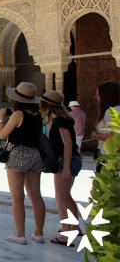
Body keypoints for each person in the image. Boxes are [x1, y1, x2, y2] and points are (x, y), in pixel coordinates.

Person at [0, 82, 46, 245]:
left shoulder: (18, 115)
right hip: (35, 155)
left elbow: (2, 135)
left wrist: (1, 119)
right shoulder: (38, 115)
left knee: (17, 197)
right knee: (36, 196)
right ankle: (38, 233)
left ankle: (20, 234)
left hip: (18, 155)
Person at [40, 90, 81, 246]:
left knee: (60, 197)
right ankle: (75, 226)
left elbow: (68, 144)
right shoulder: (65, 119)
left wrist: (65, 167)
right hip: (71, 160)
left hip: (65, 161)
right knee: (66, 195)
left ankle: (65, 233)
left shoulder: (60, 121)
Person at [92, 81, 120, 173]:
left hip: (109, 156)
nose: (96, 97)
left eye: (98, 94)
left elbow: (113, 136)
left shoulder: (112, 111)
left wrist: (95, 135)